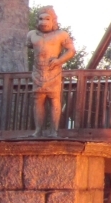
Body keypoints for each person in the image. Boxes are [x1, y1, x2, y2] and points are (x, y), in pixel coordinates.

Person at [27, 7, 76, 138]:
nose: (43, 22)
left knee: (54, 99)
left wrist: (59, 60)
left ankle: (54, 131)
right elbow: (29, 46)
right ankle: (38, 130)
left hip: (53, 71)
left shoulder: (61, 34)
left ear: (53, 20)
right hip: (38, 71)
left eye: (47, 19)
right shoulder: (31, 35)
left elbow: (71, 50)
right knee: (38, 100)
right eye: (41, 18)